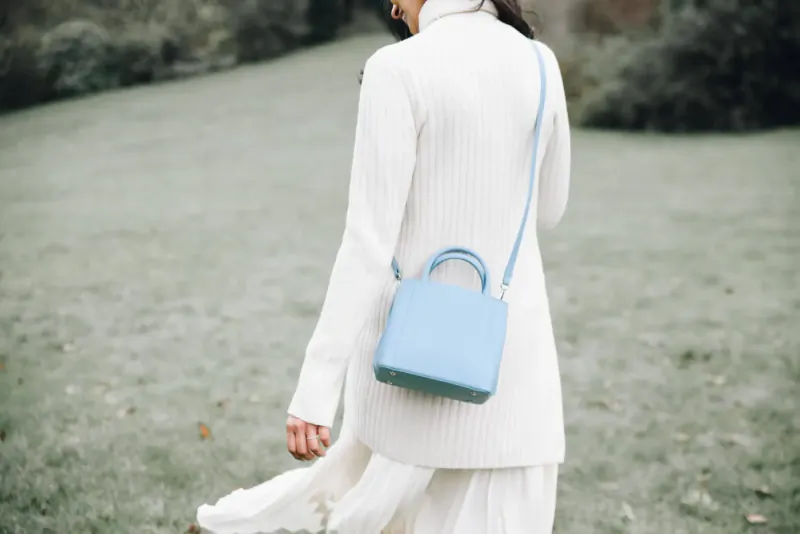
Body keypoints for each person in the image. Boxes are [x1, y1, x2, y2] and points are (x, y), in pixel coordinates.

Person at [197, 0, 571, 532]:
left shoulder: (397, 68)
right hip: (514, 380)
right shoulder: (540, 61)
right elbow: (550, 209)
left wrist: (315, 391)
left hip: (408, 374)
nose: (393, 7)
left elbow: (367, 244)